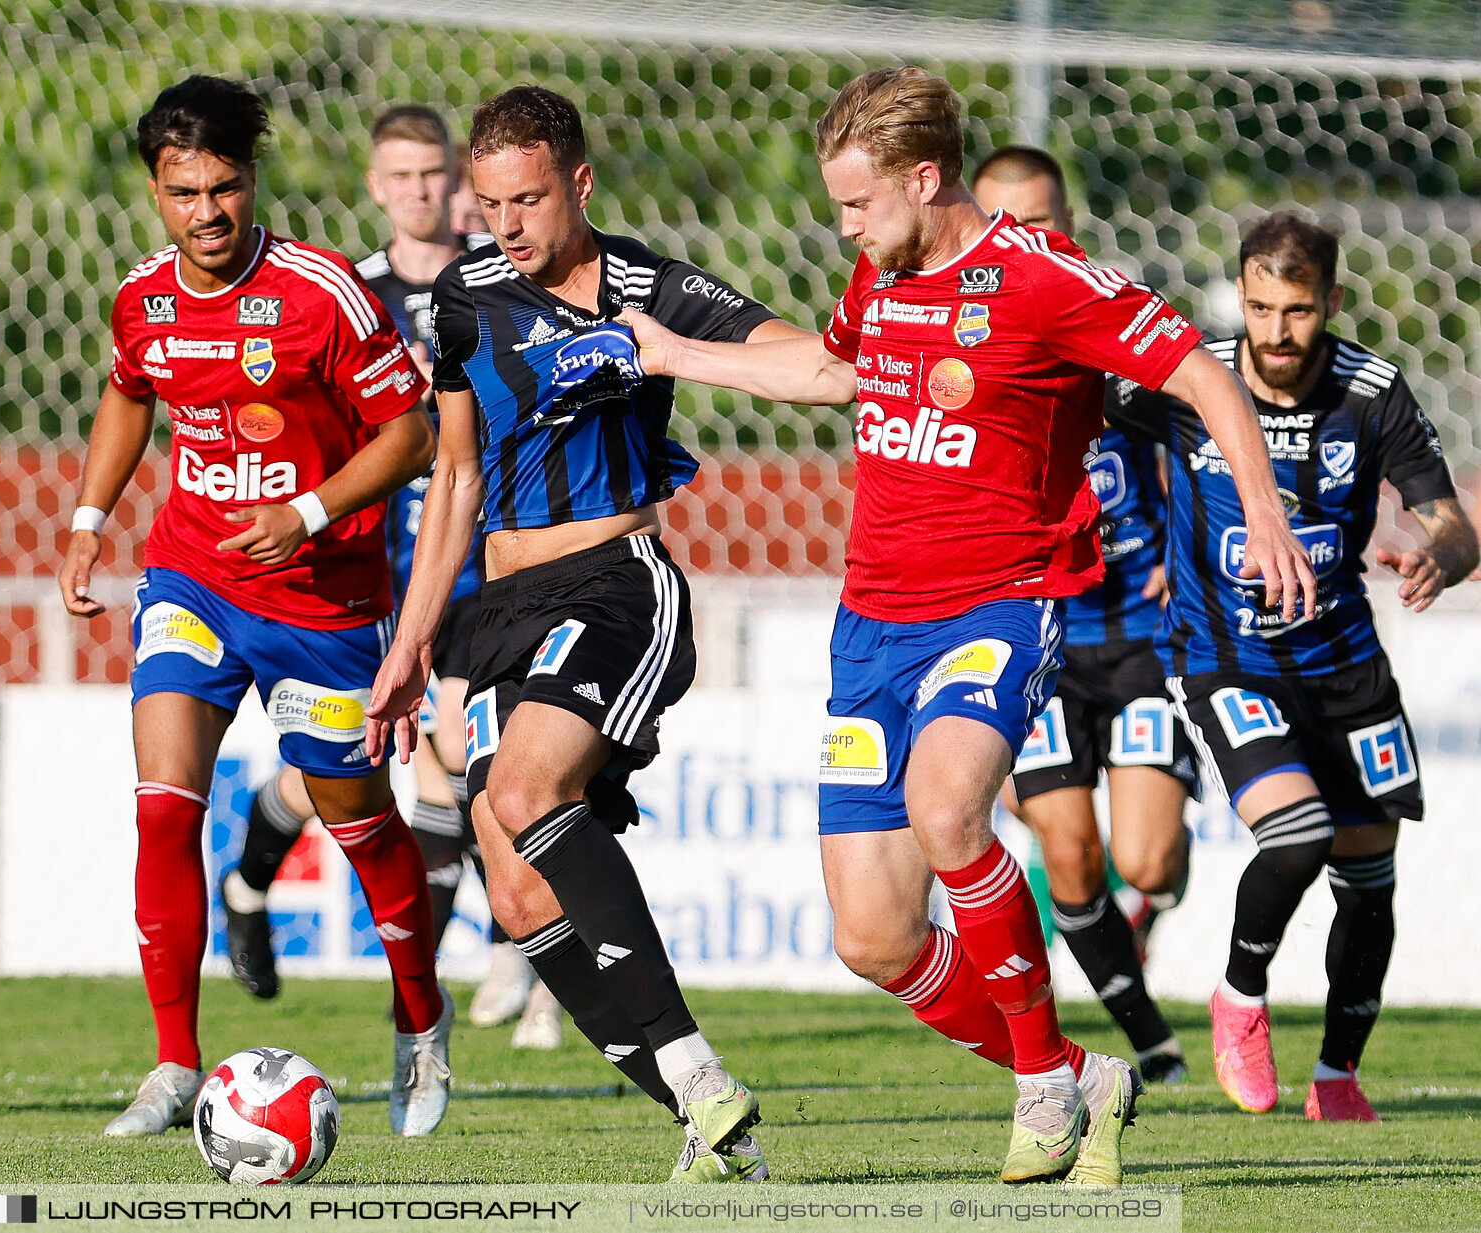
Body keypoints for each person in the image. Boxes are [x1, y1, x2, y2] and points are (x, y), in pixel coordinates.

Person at [622, 66, 1315, 1185]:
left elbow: (1205, 376)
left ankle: (1041, 1086)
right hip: (870, 628)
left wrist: (1268, 520)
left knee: (950, 811)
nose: (844, 225)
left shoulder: (1044, 279)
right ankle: (1083, 1080)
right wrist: (673, 354)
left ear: (923, 176)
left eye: (857, 203)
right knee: (874, 939)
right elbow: (834, 369)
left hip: (1000, 605)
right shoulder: (881, 273)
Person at [366, 85, 804, 1182]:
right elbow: (456, 474)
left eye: (527, 200)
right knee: (515, 896)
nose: (505, 225)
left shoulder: (651, 287)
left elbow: (816, 366)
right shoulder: (462, 298)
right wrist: (413, 641)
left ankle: (701, 1076)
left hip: (616, 584)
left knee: (519, 797)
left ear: (580, 184)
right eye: (488, 202)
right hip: (500, 607)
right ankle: (715, 1126)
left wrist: (671, 354)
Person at [58, 75, 452, 1140]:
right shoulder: (143, 298)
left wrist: (312, 511)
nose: (207, 213)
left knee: (361, 825)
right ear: (155, 191)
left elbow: (412, 434)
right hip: (192, 577)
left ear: (252, 180)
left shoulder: (322, 292)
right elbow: (131, 389)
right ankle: (174, 1064)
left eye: (224, 188)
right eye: (184, 192)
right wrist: (94, 513)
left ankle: (421, 1021)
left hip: (322, 596)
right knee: (162, 803)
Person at [1109, 211, 1478, 1121]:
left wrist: (1445, 555)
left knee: (1370, 875)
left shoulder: (1372, 392)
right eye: (1260, 307)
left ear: (1333, 302)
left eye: (1299, 310)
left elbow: (1451, 521)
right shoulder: (1190, 374)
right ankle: (1239, 996)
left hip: (1345, 665)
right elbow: (1080, 400)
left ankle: (1337, 1077)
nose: (1276, 332)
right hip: (1224, 659)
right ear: (1240, 296)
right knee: (1297, 834)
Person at [216, 104, 561, 1048]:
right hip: (372, 565)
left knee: (460, 751)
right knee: (344, 768)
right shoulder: (349, 292)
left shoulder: (492, 284)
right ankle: (249, 886)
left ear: (456, 180)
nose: (418, 191)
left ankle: (502, 960)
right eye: (400, 176)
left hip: (476, 561)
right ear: (378, 185)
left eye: (432, 175)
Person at [973, 147, 1192, 1084]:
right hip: (1041, 638)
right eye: (1004, 221)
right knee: (1069, 857)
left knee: (1145, 862)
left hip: (1141, 640)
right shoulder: (958, 343)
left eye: (1040, 220)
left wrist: (1192, 559)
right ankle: (1152, 1043)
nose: (1024, 238)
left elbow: (1201, 431)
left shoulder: (1110, 322)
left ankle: (1135, 927)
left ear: (1066, 220)